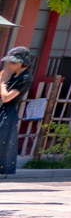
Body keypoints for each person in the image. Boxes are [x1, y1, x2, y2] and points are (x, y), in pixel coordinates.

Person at [0, 48, 28, 178]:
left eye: (12, 62)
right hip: (3, 110)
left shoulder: (25, 78)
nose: (9, 64)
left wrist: (2, 83)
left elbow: (6, 98)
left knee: (2, 143)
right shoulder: (15, 75)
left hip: (8, 111)